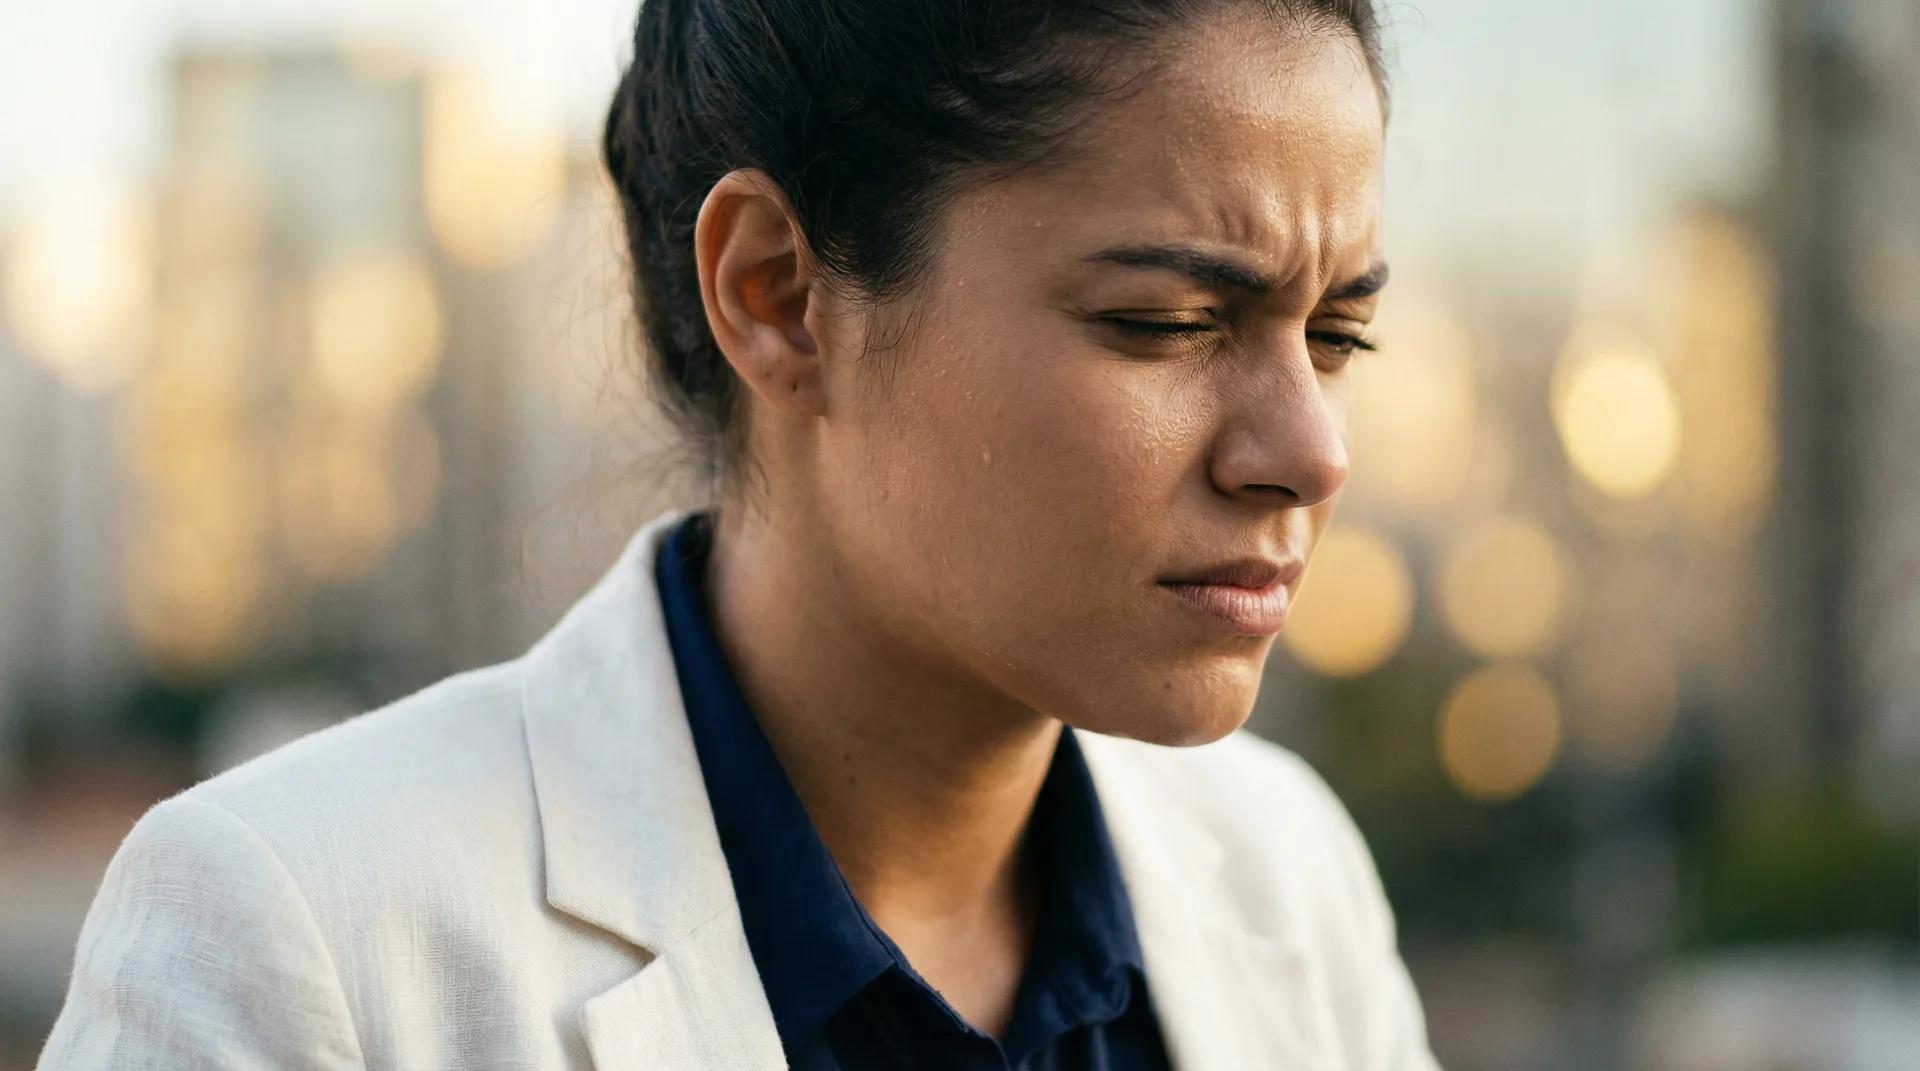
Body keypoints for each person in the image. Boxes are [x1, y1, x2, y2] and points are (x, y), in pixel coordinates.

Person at [39, 0, 1439, 1067]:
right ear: (776, 292)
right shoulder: (301, 941)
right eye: (1166, 324)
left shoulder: (1284, 877)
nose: (1311, 448)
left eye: (1337, 333)